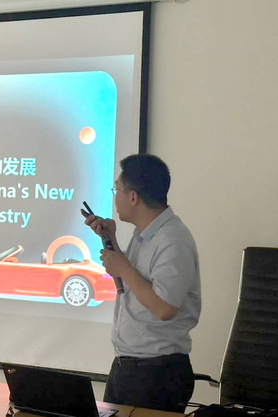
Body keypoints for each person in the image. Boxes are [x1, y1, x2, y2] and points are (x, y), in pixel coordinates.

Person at [83, 154, 201, 413]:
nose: (115, 197)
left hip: (157, 374)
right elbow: (131, 286)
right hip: (127, 367)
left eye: (117, 190)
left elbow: (165, 308)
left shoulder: (173, 240)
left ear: (133, 197)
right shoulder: (144, 235)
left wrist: (124, 267)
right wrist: (110, 240)